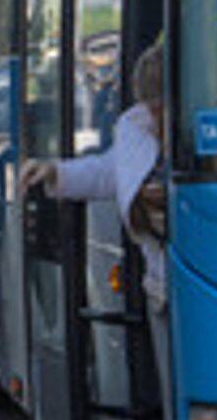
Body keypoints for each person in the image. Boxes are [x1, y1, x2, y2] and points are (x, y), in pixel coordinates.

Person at [22, 41, 167, 311]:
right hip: (163, 290)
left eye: (161, 106)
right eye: (151, 107)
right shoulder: (136, 129)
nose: (156, 116)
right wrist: (56, 173)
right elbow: (107, 171)